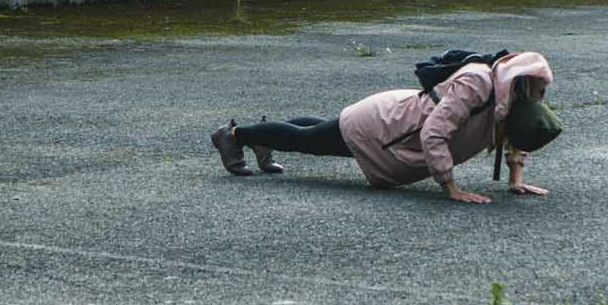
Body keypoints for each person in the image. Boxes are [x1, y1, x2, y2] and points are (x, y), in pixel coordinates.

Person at [209, 52, 561, 204]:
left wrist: (516, 180)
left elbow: (515, 134)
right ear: (523, 81)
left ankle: (261, 134)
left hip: (393, 124)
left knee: (321, 133)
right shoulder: (479, 84)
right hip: (386, 125)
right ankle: (235, 135)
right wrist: (450, 187)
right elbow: (433, 133)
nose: (542, 97)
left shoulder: (509, 97)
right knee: (312, 139)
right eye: (540, 90)